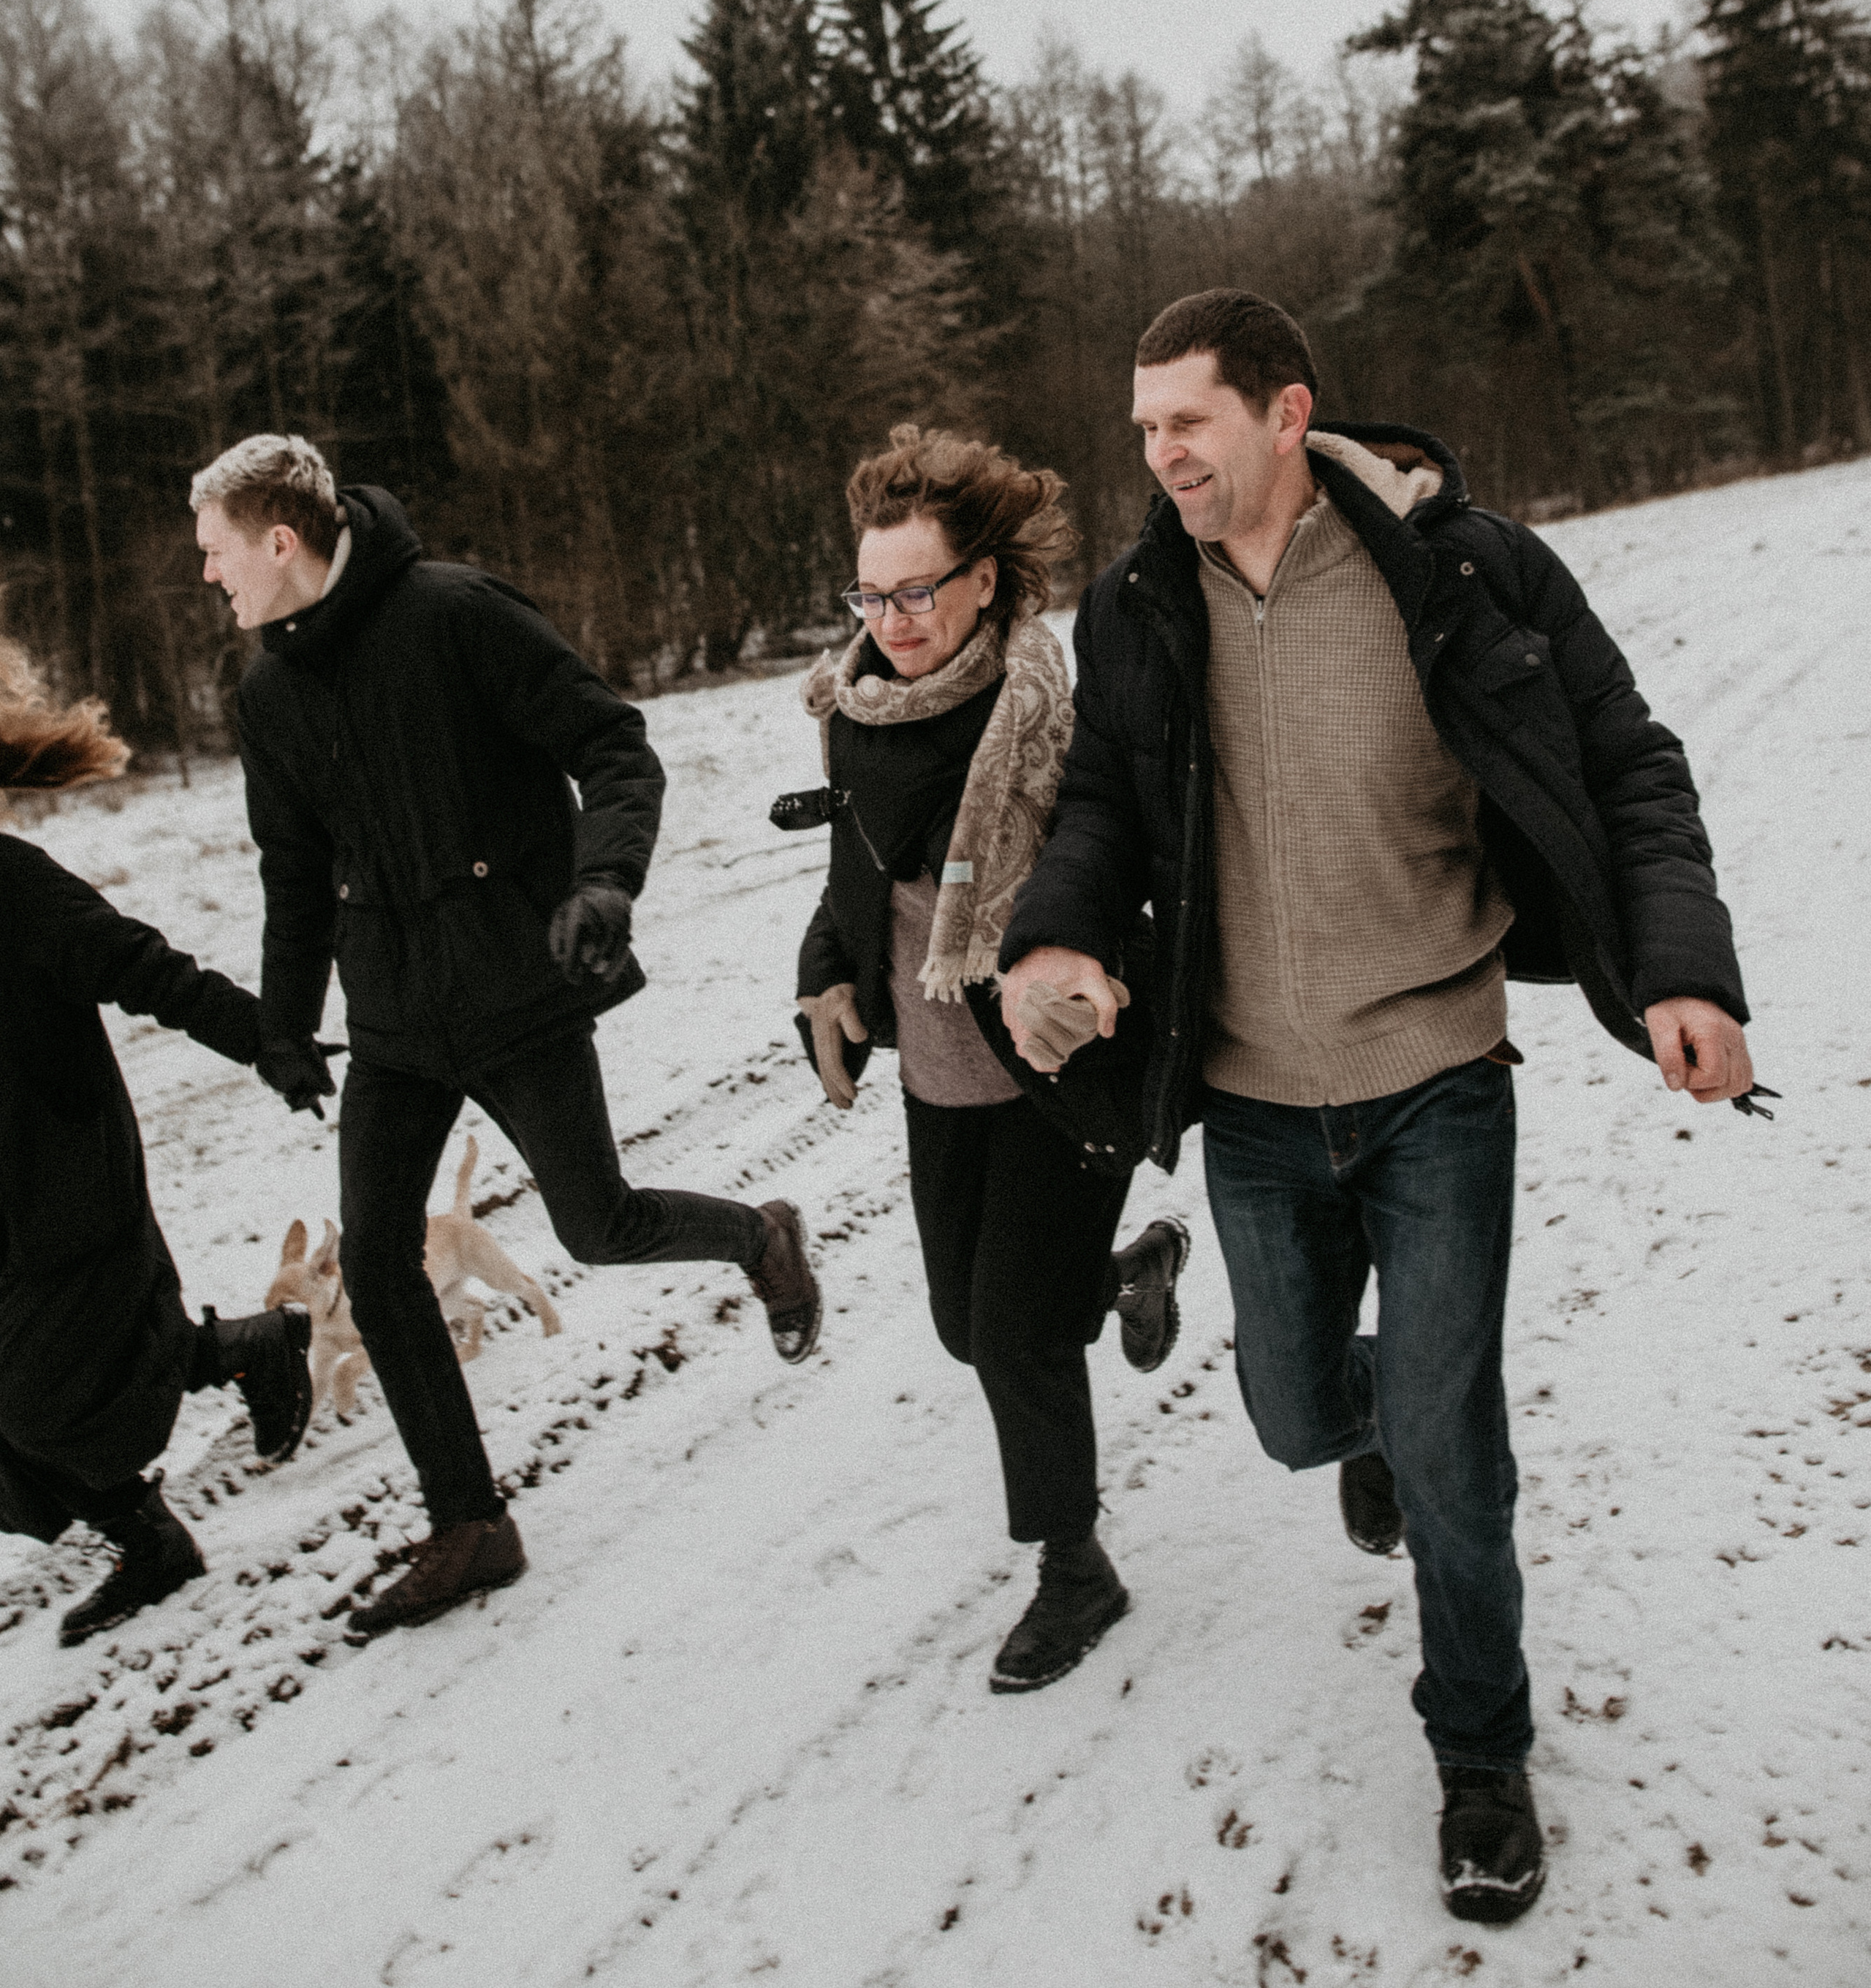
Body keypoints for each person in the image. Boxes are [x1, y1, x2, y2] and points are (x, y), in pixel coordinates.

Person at [998, 289, 1759, 1924]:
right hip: (1253, 1098)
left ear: (1285, 413)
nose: (1155, 456)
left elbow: (1626, 759)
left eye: (1182, 422)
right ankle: (1379, 1433)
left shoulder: (1462, 567)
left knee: (1449, 1445)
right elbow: (1102, 808)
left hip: (1435, 1079)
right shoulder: (1138, 606)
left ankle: (1479, 1758)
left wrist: (1686, 973)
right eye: (1141, 429)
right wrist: (1050, 934)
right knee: (1291, 1413)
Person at [191, 433, 821, 1638]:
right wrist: (282, 1027)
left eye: (218, 555)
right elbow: (294, 872)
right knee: (376, 1268)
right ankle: (470, 1521)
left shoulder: (456, 614)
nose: (211, 579)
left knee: (598, 1224)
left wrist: (605, 884)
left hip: (516, 991)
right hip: (392, 1026)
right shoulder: (267, 698)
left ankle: (759, 1233)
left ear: (280, 540)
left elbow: (612, 745)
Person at [790, 425, 1190, 1693]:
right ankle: (1126, 1272)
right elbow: (851, 879)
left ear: (984, 583)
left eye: (918, 590)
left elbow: (1112, 859)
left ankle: (1076, 1571)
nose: (893, 619)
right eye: (872, 592)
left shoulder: (1044, 718)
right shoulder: (856, 717)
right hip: (938, 1074)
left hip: (1055, 1070)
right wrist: (822, 975)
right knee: (969, 1328)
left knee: (1014, 1335)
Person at [0, 638, 317, 1644]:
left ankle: (235, 1353)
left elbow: (147, 969)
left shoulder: (14, 886)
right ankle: (150, 1541)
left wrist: (268, 1041)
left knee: (48, 1396)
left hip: (59, 1174)